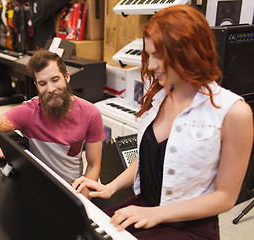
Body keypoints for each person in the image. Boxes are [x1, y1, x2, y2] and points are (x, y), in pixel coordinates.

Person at [73, 5, 253, 240]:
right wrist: (111, 187)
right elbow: (149, 156)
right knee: (79, 230)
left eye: (159, 55)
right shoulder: (160, 98)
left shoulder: (234, 112)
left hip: (189, 228)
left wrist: (158, 214)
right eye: (149, 55)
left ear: (189, 51)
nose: (152, 65)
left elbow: (225, 197)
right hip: (145, 209)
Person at [0, 50, 105, 198]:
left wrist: (83, 202)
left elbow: (93, 166)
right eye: (43, 83)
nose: (51, 89)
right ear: (36, 85)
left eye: (55, 79)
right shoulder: (28, 112)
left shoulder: (90, 113)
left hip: (73, 191)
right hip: (37, 190)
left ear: (67, 77)